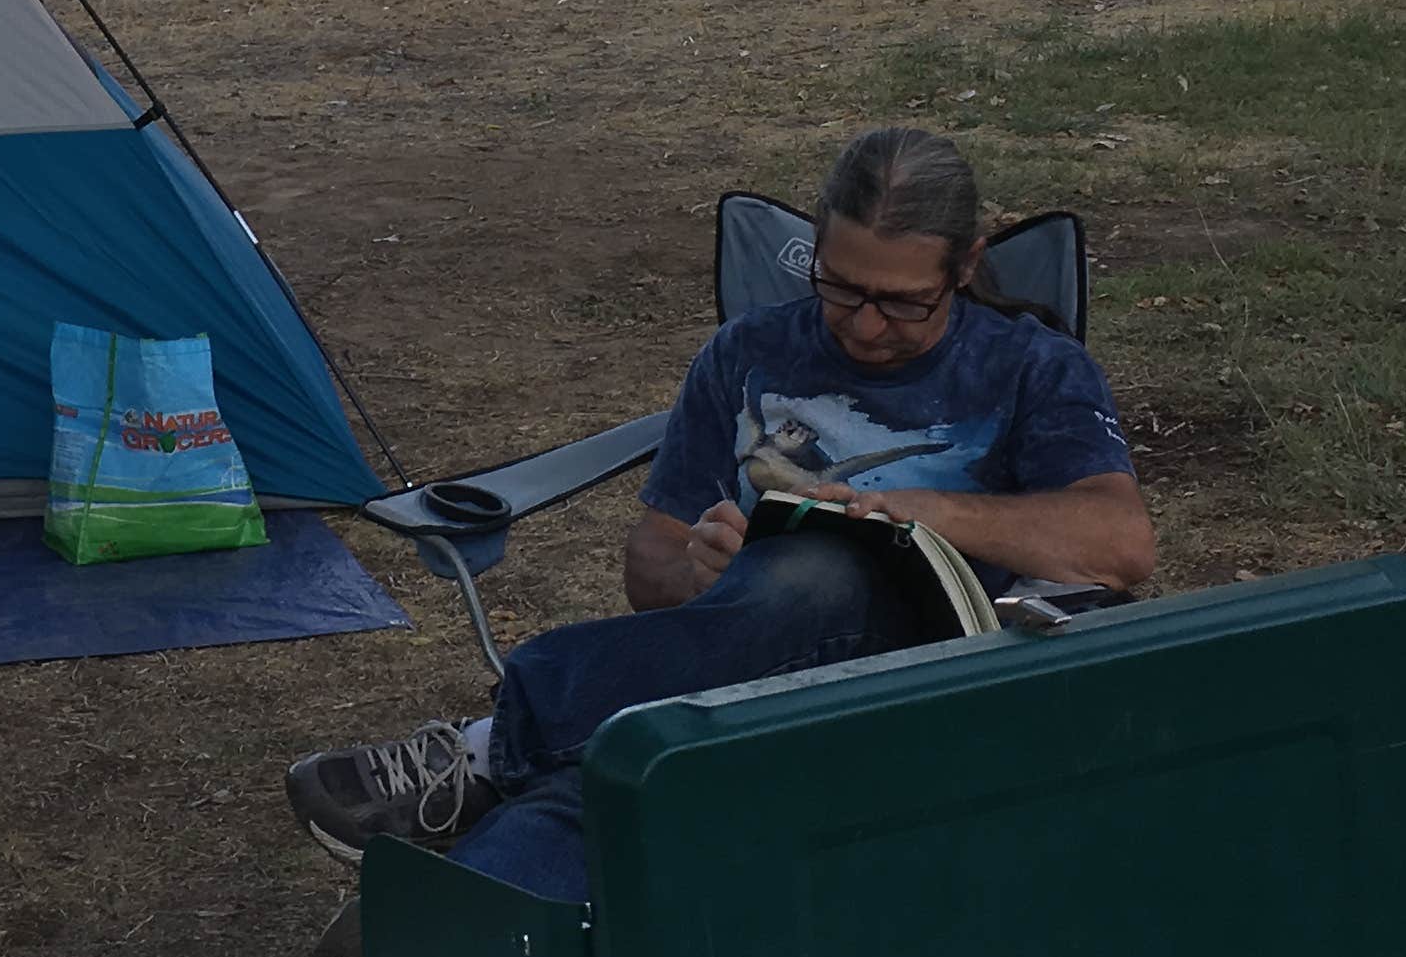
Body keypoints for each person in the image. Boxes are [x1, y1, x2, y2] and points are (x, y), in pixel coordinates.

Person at [284, 124, 1153, 914]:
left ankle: (492, 748)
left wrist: (911, 510)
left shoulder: (1034, 368)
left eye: (903, 302)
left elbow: (1119, 547)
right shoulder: (748, 354)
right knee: (599, 790)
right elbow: (650, 570)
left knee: (823, 568)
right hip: (737, 697)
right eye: (840, 288)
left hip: (928, 710)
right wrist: (699, 568)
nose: (864, 325)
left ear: (964, 268)